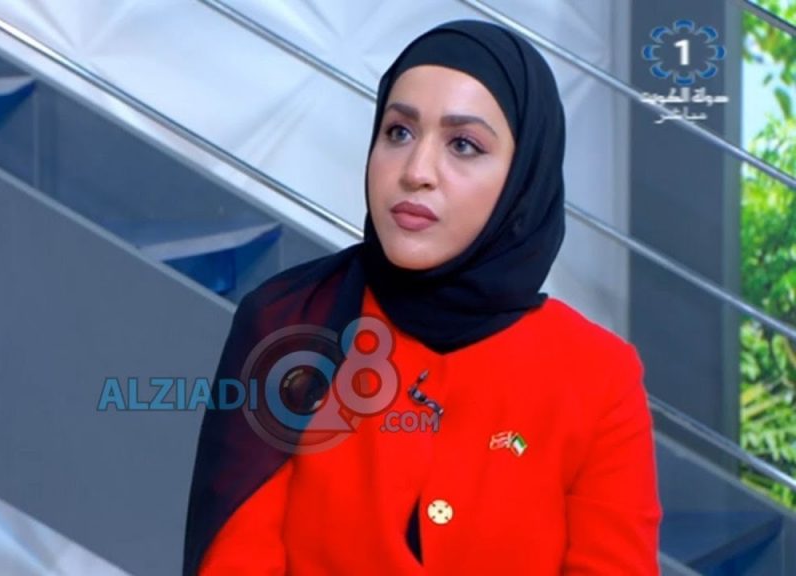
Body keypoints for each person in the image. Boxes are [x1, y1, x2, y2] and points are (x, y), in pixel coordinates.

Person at [183, 19, 662, 575]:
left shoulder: (598, 378)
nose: (416, 172)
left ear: (522, 179)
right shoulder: (286, 324)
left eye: (464, 145)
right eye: (398, 133)